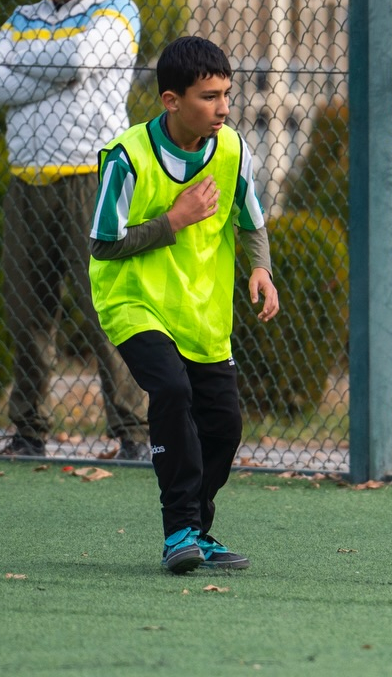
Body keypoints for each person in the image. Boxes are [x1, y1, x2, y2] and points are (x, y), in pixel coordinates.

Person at [88, 36, 280, 574]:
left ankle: (199, 529)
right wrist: (173, 221)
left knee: (224, 426)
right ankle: (178, 533)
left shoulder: (233, 149)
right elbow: (103, 242)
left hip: (201, 314)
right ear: (171, 101)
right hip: (132, 302)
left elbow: (252, 218)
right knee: (171, 391)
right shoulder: (128, 157)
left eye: (226, 94)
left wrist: (261, 269)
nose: (223, 108)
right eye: (209, 97)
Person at [0, 0, 149, 460]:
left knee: (107, 313)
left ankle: (136, 435)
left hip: (91, 180)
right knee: (27, 318)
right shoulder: (23, 16)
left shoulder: (117, 11)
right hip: (27, 182)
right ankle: (29, 433)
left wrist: (27, 65)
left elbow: (80, 56)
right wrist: (59, 67)